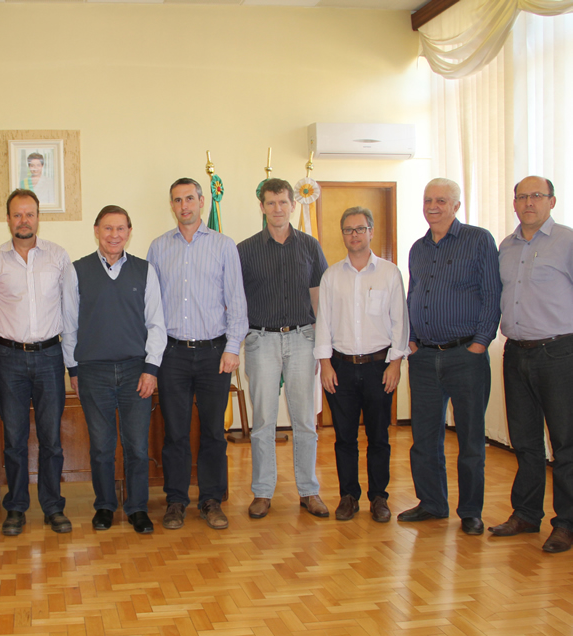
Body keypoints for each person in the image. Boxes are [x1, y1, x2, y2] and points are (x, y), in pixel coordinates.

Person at [400, 178, 500, 535]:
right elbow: (413, 295)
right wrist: (412, 340)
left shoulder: (478, 240)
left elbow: (492, 294)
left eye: (441, 200)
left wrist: (480, 343)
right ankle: (432, 503)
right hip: (425, 358)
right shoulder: (418, 248)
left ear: (456, 206)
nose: (433, 206)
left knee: (470, 439)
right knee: (424, 438)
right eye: (428, 200)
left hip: (465, 356)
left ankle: (470, 511)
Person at [146, 178, 248, 530]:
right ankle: (176, 501)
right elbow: (150, 307)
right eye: (177, 200)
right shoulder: (158, 248)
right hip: (172, 354)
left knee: (213, 432)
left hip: (214, 354)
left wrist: (232, 348)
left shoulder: (223, 246)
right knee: (174, 433)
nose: (184, 206)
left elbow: (237, 302)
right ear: (171, 205)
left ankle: (211, 500)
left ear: (202, 202)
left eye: (190, 198)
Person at [61, 205, 166, 534]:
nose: (114, 235)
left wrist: (151, 369)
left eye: (121, 228)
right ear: (96, 231)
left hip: (136, 372)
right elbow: (69, 325)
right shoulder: (77, 271)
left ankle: (137, 508)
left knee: (137, 446)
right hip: (93, 372)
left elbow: (157, 324)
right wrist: (73, 370)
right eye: (108, 228)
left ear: (129, 232)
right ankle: (105, 505)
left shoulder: (145, 271)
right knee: (101, 446)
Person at [237, 178, 330, 520]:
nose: (277, 208)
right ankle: (263, 492)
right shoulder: (245, 250)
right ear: (262, 207)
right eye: (271, 203)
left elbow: (319, 297)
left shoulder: (310, 246)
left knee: (305, 420)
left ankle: (309, 491)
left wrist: (322, 344)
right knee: (263, 420)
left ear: (293, 205)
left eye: (283, 202)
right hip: (261, 340)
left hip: (303, 338)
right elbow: (235, 299)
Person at [0, 189, 71, 536]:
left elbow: (69, 306)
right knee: (14, 439)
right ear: (8, 219)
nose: (24, 220)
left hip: (50, 356)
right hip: (9, 360)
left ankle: (53, 507)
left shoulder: (58, 257)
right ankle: (16, 507)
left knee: (51, 439)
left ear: (38, 218)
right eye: (17, 215)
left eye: (29, 214)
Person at [490, 176, 573, 553]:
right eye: (521, 196)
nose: (528, 202)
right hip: (516, 353)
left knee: (565, 443)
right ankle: (526, 514)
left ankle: (566, 523)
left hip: (559, 354)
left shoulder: (566, 241)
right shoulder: (506, 246)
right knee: (524, 441)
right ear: (514, 203)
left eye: (536, 196)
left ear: (551, 201)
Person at [314, 206, 409, 522]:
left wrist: (395, 364)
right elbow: (323, 323)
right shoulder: (331, 276)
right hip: (340, 368)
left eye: (360, 229)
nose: (354, 235)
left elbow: (400, 322)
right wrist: (325, 365)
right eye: (348, 230)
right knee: (345, 438)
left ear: (371, 232)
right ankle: (348, 497)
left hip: (379, 368)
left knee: (379, 437)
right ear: (342, 234)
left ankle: (379, 497)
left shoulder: (389, 273)